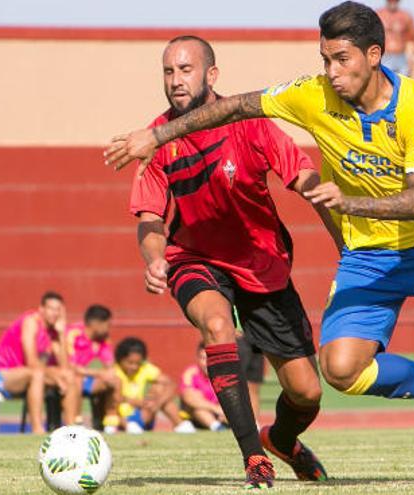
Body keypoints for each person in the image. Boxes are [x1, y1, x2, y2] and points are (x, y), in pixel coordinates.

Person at [104, 2, 414, 485]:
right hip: (368, 256)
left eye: (341, 59)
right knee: (340, 369)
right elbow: (237, 105)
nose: (331, 72)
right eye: (325, 59)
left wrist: (348, 202)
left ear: (373, 55)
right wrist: (156, 136)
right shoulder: (312, 94)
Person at [122, 35, 340, 488]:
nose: (176, 81)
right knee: (218, 328)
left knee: (307, 393)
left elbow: (301, 174)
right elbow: (148, 216)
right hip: (194, 259)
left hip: (261, 262)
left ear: (212, 75)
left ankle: (282, 441)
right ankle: (253, 456)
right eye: (169, 72)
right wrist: (155, 258)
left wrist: (337, 225)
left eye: (186, 70)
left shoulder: (250, 124)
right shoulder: (156, 139)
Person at [0, 291, 79, 434]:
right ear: (41, 309)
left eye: (58, 310)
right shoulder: (31, 322)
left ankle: (72, 432)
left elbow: (64, 367)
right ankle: (37, 430)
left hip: (31, 376)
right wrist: (54, 377)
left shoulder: (53, 331)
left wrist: (61, 334)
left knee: (69, 376)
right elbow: (31, 362)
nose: (54, 313)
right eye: (51, 308)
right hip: (2, 375)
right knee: (37, 374)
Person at [59, 305, 121, 434]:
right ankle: (75, 422)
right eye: (107, 325)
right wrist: (99, 373)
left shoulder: (102, 339)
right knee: (76, 379)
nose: (108, 329)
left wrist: (108, 374)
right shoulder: (73, 334)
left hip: (87, 379)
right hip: (67, 378)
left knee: (115, 380)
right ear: (96, 324)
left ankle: (110, 424)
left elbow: (110, 365)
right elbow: (69, 367)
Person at [113, 337, 195, 434]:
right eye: (130, 363)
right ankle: (127, 426)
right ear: (120, 359)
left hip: (143, 413)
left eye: (137, 363)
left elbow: (170, 384)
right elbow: (111, 398)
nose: (134, 367)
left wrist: (157, 403)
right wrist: (132, 401)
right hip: (120, 416)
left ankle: (180, 424)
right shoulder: (114, 371)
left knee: (159, 388)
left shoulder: (144, 369)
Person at [180, 342, 227, 431]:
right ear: (197, 358)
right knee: (197, 402)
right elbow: (188, 397)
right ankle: (217, 427)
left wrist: (223, 410)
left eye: (209, 358)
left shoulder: (221, 375)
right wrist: (215, 409)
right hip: (195, 416)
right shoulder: (191, 373)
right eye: (203, 358)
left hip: (219, 414)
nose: (206, 363)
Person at [376, 0, 414, 76]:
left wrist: (413, 58)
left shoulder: (405, 16)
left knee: (404, 84)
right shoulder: (379, 14)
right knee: (384, 84)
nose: (393, 2)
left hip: (401, 57)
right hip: (385, 57)